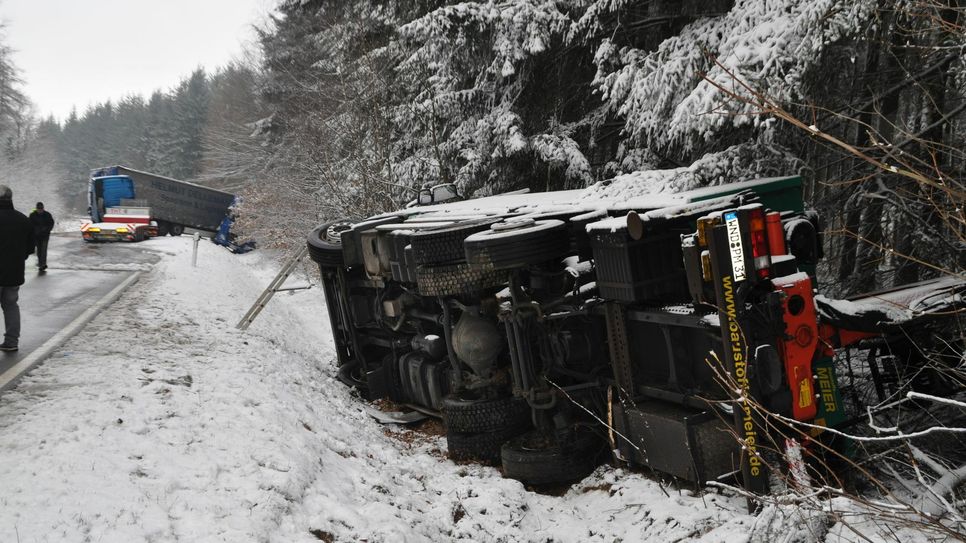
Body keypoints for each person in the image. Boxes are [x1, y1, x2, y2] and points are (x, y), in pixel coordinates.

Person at [0, 185, 35, 351]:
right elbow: (30, 248)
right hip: (14, 273)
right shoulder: (23, 220)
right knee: (11, 306)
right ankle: (11, 341)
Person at [29, 202, 55, 271]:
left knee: (43, 250)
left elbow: (51, 223)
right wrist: (34, 231)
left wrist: (47, 230)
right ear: (36, 208)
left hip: (45, 236)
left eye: (41, 209)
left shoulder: (47, 215)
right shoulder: (32, 215)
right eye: (39, 209)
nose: (40, 210)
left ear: (43, 208)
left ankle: (43, 264)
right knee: (39, 250)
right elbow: (30, 225)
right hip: (36, 236)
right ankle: (41, 263)